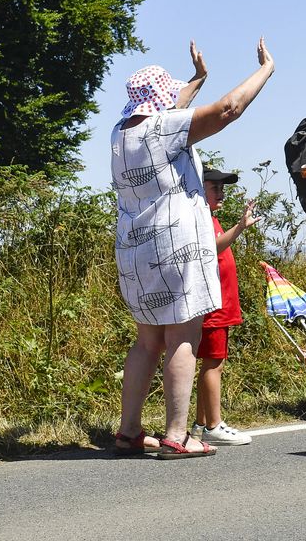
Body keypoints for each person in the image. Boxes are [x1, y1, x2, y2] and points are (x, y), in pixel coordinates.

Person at [111, 39, 274, 458]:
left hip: (135, 250)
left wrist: (198, 79)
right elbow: (226, 111)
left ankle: (129, 432)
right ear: (161, 101)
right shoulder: (163, 130)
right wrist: (265, 70)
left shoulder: (121, 134)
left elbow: (171, 106)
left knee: (147, 341)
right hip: (176, 247)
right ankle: (178, 435)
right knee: (183, 334)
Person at [191, 166, 258, 446]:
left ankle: (200, 425)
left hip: (221, 303)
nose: (221, 193)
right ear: (199, 189)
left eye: (222, 188)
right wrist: (240, 226)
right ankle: (214, 426)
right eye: (214, 187)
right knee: (213, 364)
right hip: (213, 305)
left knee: (212, 361)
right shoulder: (200, 217)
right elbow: (213, 248)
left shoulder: (211, 217)